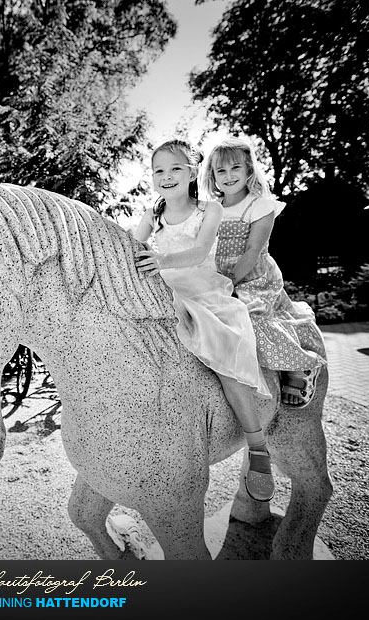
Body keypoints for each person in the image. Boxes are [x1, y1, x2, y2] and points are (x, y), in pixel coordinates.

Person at [135, 140, 275, 502]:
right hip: (162, 295)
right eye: (159, 171)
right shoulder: (150, 216)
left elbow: (199, 252)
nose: (167, 177)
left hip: (204, 294)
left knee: (225, 354)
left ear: (193, 170)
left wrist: (160, 260)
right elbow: (130, 248)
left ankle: (257, 446)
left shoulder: (209, 210)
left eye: (176, 169)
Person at [203, 137, 327, 408]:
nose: (228, 176)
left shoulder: (259, 205)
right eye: (220, 171)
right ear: (212, 176)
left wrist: (230, 282)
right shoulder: (212, 208)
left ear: (249, 169)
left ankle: (301, 365)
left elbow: (253, 251)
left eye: (235, 168)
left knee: (251, 318)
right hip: (219, 276)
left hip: (252, 277)